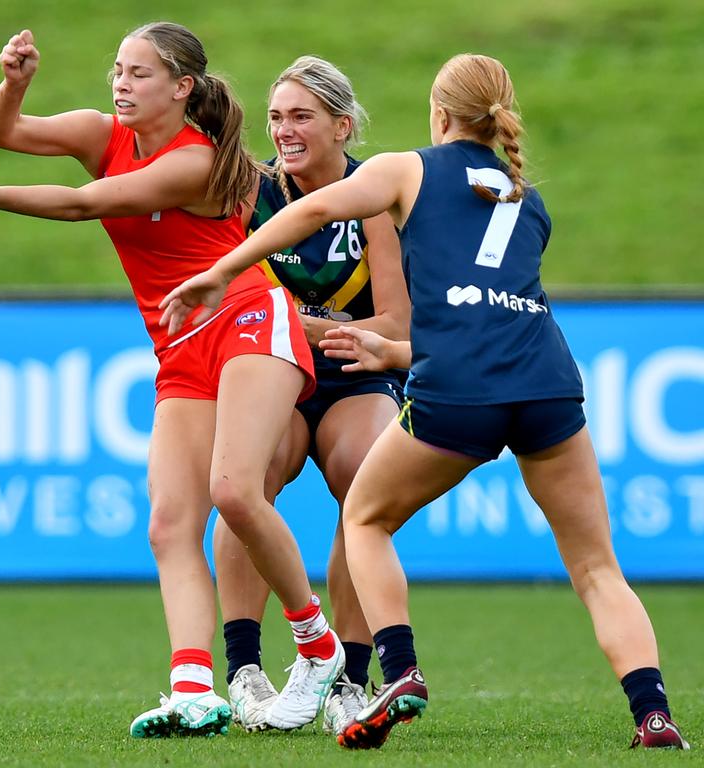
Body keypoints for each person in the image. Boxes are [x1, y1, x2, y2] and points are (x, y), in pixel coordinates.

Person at [159, 53, 690, 751]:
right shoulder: (529, 198)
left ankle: (394, 672)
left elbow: (320, 211)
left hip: (456, 388)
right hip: (547, 381)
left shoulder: (405, 170)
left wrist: (221, 270)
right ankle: (653, 715)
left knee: (366, 517)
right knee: (595, 566)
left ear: (438, 114)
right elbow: (485, 309)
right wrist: (397, 350)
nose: (284, 129)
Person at [0, 22, 345, 739]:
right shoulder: (100, 131)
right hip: (180, 344)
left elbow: (90, 204)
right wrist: (15, 82)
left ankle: (318, 644)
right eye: (117, 70)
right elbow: (4, 129)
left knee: (234, 491)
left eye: (139, 73)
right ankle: (193, 690)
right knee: (168, 522)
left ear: (182, 88)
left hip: (246, 318)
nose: (121, 84)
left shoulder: (196, 160)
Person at [214, 56, 410, 735]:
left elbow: (396, 326)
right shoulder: (254, 191)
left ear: (342, 125)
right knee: (249, 477)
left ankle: (350, 678)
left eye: (301, 117)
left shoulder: (374, 192)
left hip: (359, 375)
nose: (284, 131)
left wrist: (307, 324)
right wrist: (318, 330)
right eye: (275, 117)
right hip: (277, 367)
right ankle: (244, 670)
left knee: (365, 481)